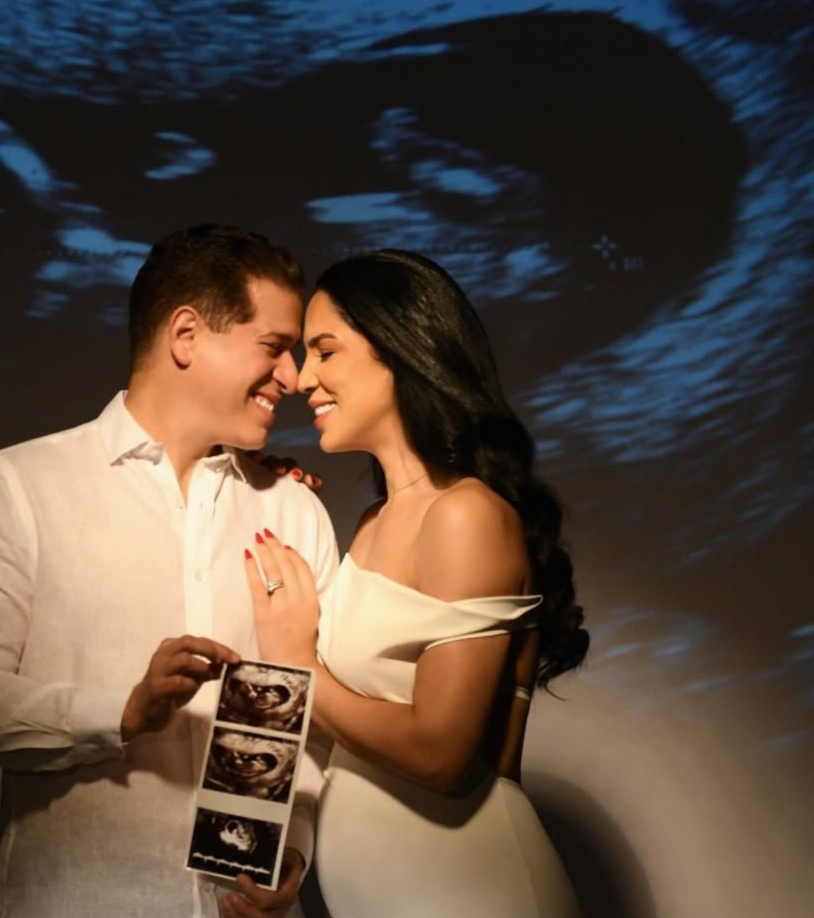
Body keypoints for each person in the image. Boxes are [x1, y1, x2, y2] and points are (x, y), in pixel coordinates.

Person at [0, 224, 339, 918]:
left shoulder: (293, 511)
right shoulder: (17, 487)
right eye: (274, 347)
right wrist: (122, 709)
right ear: (186, 336)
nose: (293, 377)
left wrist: (289, 846)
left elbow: (307, 726)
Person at [246, 249, 589, 917]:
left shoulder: (465, 514)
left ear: (401, 349)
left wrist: (299, 669)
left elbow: (441, 754)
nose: (303, 378)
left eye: (325, 351)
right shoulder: (373, 524)